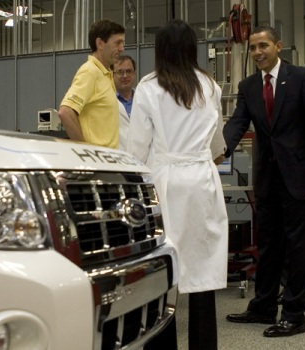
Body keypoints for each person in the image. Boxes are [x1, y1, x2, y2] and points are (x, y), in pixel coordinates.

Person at [223, 26, 305, 337]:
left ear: (278, 46)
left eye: (263, 46)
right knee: (268, 245)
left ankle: (295, 315)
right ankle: (263, 307)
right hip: (267, 180)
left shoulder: (301, 78)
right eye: (253, 48)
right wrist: (218, 150)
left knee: (299, 247)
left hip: (300, 178)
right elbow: (237, 124)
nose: (257, 52)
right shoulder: (248, 86)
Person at [126, 19, 228, 350]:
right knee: (202, 272)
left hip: (164, 183)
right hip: (201, 182)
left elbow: (137, 150)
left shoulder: (148, 87)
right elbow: (217, 145)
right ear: (191, 48)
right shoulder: (210, 86)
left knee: (162, 272)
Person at [57, 19, 125, 148]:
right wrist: (86, 150)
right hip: (98, 163)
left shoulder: (105, 74)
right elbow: (65, 112)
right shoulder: (90, 72)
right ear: (100, 43)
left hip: (107, 160)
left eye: (122, 43)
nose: (122, 48)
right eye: (117, 43)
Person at [111, 55, 136, 150]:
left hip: (144, 159)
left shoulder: (144, 100)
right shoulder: (106, 102)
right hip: (117, 157)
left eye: (129, 71)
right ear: (112, 75)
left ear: (134, 74)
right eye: (120, 72)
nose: (125, 76)